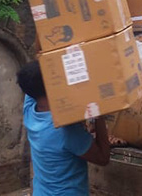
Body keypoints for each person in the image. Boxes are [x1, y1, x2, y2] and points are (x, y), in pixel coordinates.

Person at [17, 61, 110, 195]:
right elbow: (103, 158)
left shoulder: (30, 110)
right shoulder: (66, 130)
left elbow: (35, 70)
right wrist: (99, 115)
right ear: (51, 86)